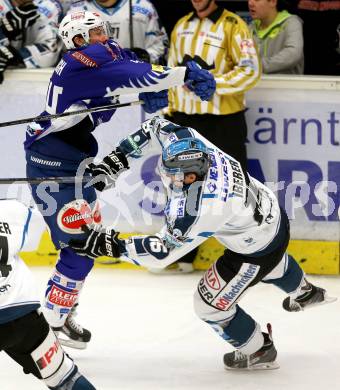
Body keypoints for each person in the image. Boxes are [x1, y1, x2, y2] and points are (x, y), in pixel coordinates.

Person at [68, 115, 336, 370]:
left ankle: (258, 349)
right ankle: (304, 291)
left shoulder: (203, 207)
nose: (167, 179)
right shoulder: (191, 142)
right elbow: (155, 126)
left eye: (173, 176)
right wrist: (117, 160)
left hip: (256, 248)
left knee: (208, 305)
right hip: (274, 218)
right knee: (272, 262)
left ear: (192, 177)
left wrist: (109, 245)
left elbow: (161, 254)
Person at [24, 10, 215, 349]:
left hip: (71, 160)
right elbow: (134, 72)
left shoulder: (91, 58)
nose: (105, 36)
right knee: (81, 246)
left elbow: (125, 65)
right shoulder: (84, 60)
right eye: (97, 32)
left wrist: (144, 92)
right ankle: (52, 323)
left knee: (83, 245)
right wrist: (181, 75)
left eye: (104, 30)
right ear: (78, 40)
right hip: (52, 165)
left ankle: (59, 313)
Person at [160, 0, 261, 273]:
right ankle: (181, 254)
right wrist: (167, 108)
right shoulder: (182, 24)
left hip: (223, 123)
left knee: (234, 193)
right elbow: (172, 71)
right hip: (184, 119)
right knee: (181, 190)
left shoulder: (234, 25)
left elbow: (251, 70)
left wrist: (216, 84)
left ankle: (249, 253)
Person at [0, 199, 96, 389]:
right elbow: (41, 230)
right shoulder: (10, 210)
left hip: (21, 311)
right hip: (23, 316)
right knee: (66, 379)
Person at [69, 0, 168, 63]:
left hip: (135, 82)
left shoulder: (144, 7)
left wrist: (147, 57)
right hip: (93, 80)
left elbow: (160, 48)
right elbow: (68, 52)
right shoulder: (76, 11)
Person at [0, 0, 62, 84]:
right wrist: (4, 29)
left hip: (25, 85)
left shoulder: (49, 6)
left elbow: (50, 52)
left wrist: (17, 55)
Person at [248, 0, 304, 74]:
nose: (250, 3)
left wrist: (257, 65)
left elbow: (293, 54)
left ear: (273, 2)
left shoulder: (291, 23)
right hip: (257, 84)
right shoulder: (251, 27)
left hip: (285, 84)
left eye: (257, 0)